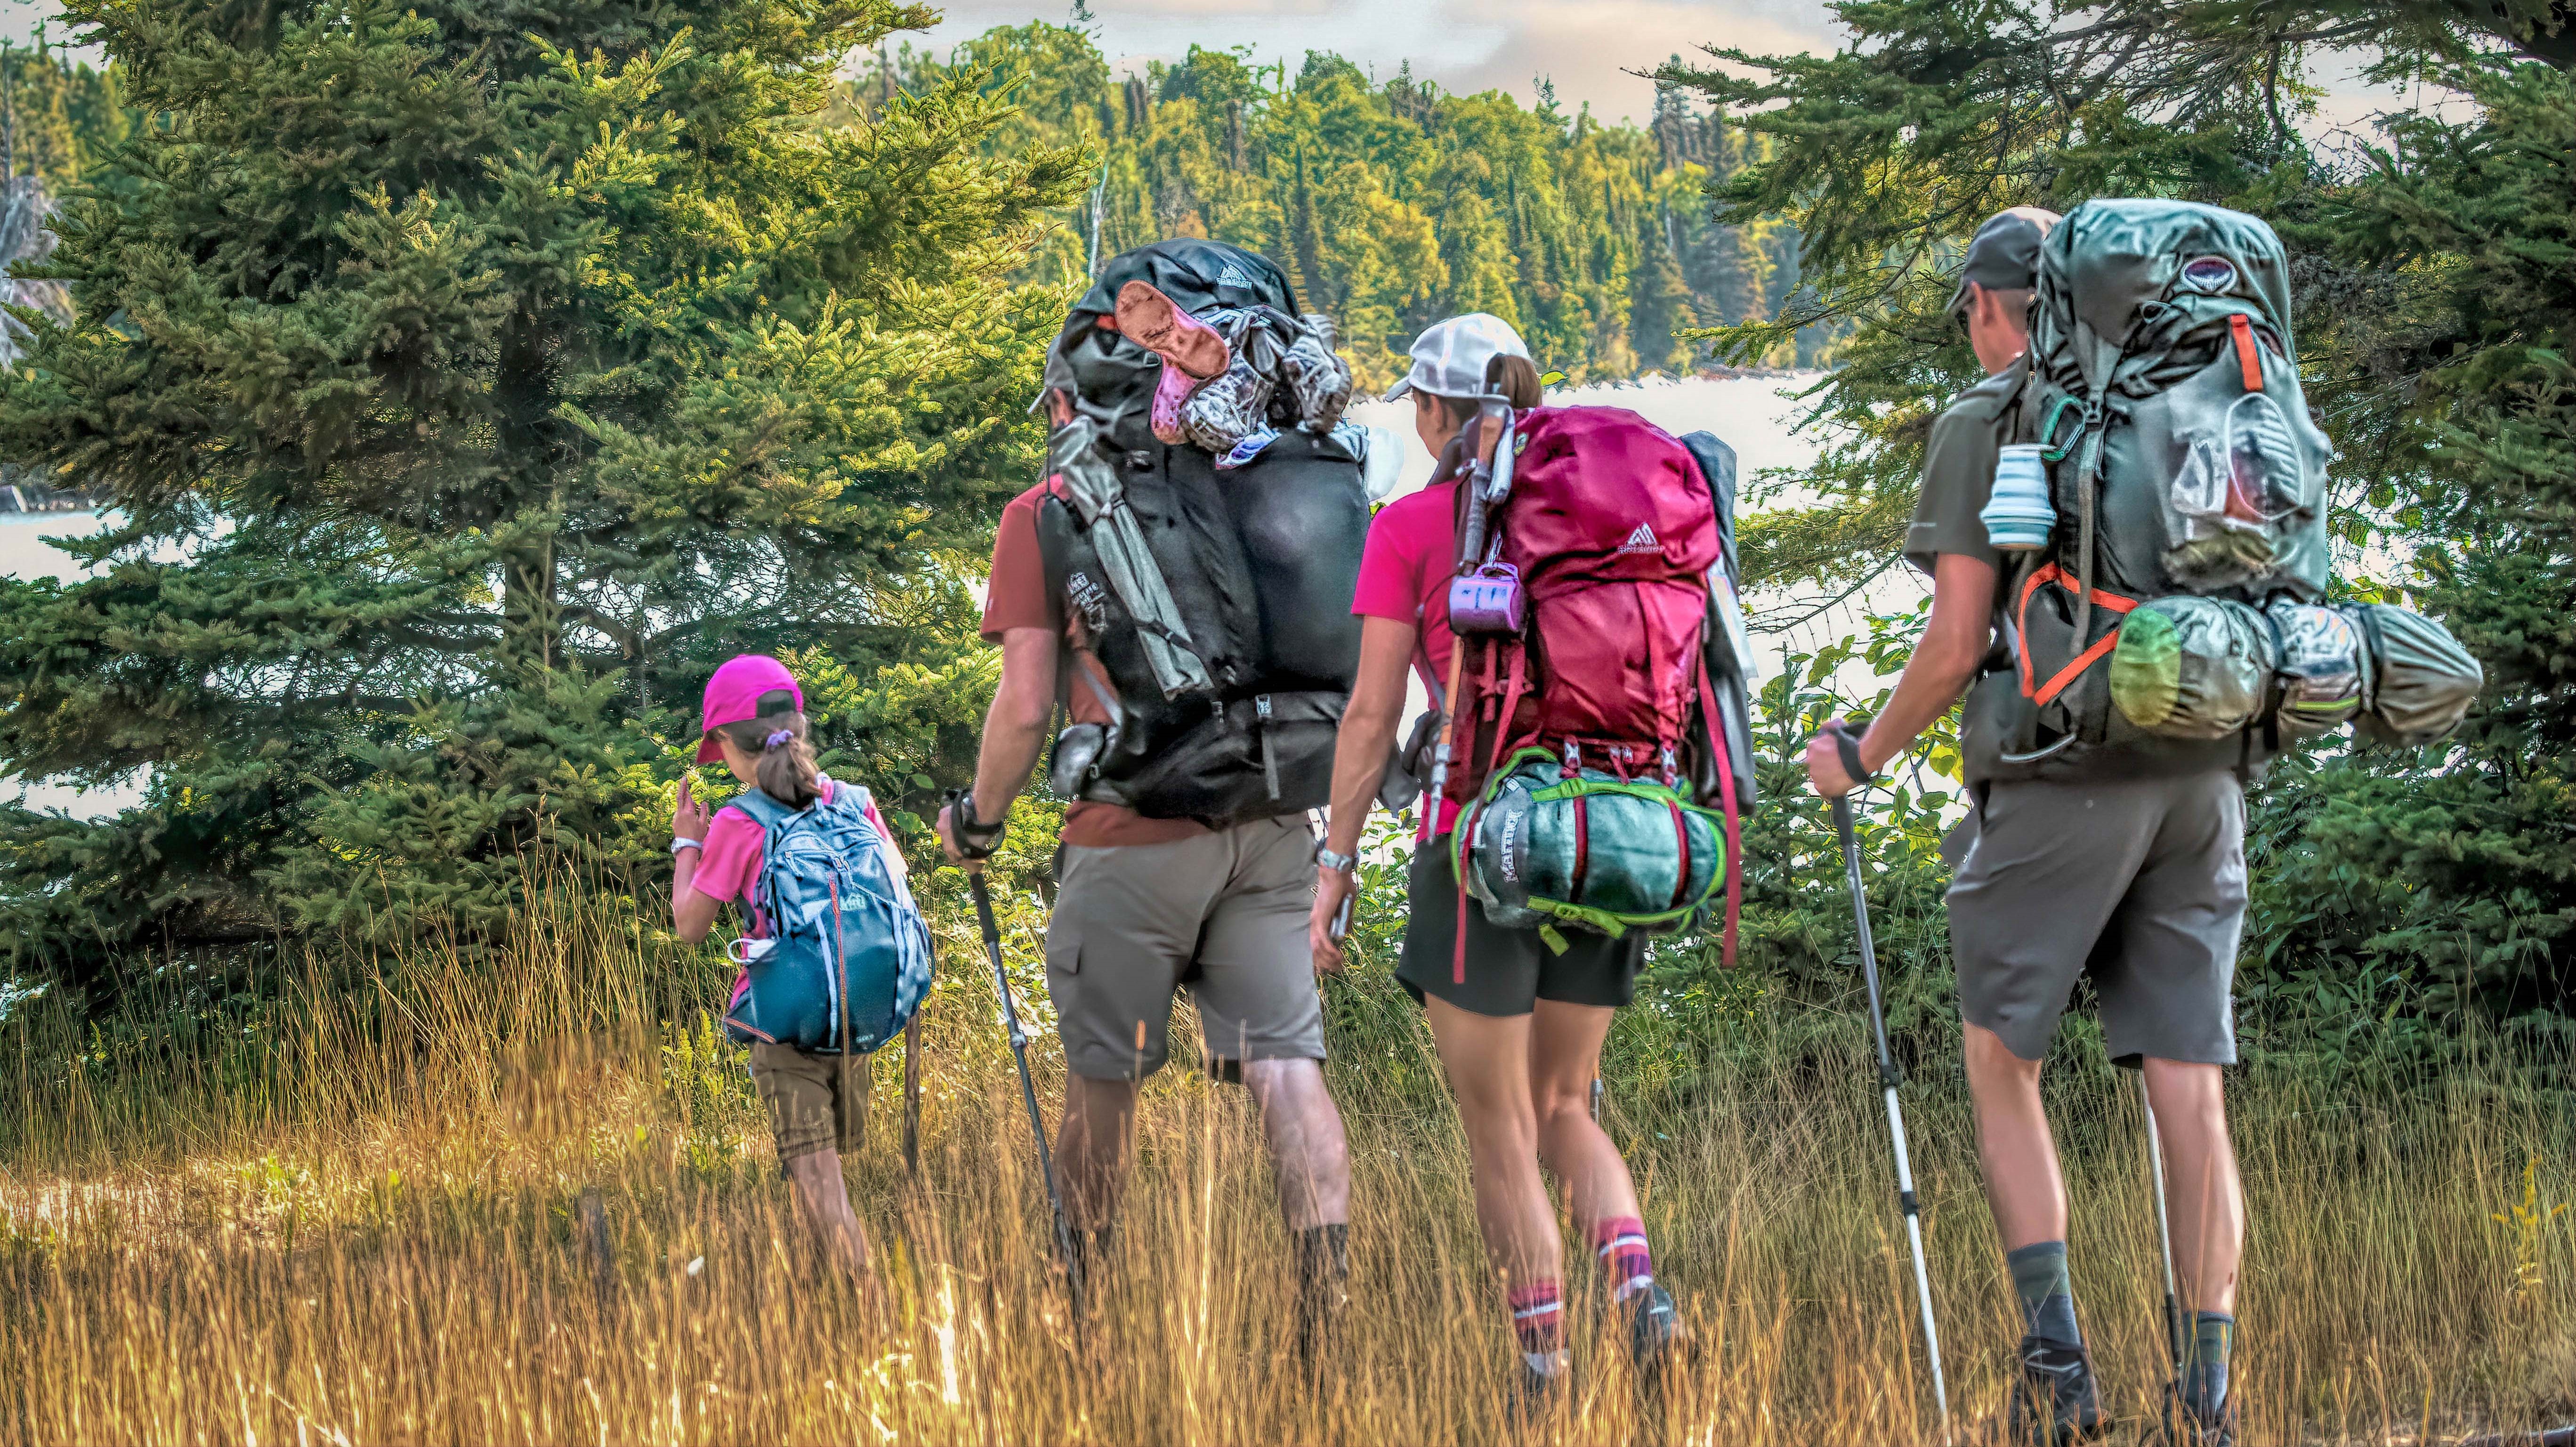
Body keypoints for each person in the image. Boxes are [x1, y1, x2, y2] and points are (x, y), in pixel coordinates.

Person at [1803, 207, 2247, 1446]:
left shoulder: (1985, 417)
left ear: (1994, 305)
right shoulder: (2186, 398)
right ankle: (2205, 1400)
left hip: (2061, 778)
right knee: (2190, 1092)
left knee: (2006, 1063)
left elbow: (1956, 645)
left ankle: (2060, 1379)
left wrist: (1862, 754)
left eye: (1971, 307)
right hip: (2204, 773)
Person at [934, 258, 1357, 1355]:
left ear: (1074, 397)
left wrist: (978, 821)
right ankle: (1328, 1311)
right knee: (1285, 1070)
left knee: (1105, 1085)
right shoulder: (1258, 468)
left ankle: (1079, 1306)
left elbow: (1026, 707)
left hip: (1132, 834)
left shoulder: (1046, 510)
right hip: (1271, 821)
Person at [1306, 314, 1685, 1409]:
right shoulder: (1597, 519)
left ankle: (1543, 1373)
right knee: (1567, 1101)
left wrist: (1335, 866)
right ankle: (1640, 1291)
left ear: (1432, 413)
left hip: (1476, 847)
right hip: (1609, 837)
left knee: (1502, 1128)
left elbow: (1373, 714)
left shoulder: (1412, 527)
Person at [671, 653, 904, 1296]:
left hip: (784, 1024)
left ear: (726, 743)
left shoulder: (738, 822)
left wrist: (685, 843)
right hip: (856, 1015)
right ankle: (817, 1300)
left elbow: (690, 923)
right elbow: (897, 885)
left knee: (819, 1180)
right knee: (820, 1171)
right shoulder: (855, 802)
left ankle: (876, 1313)